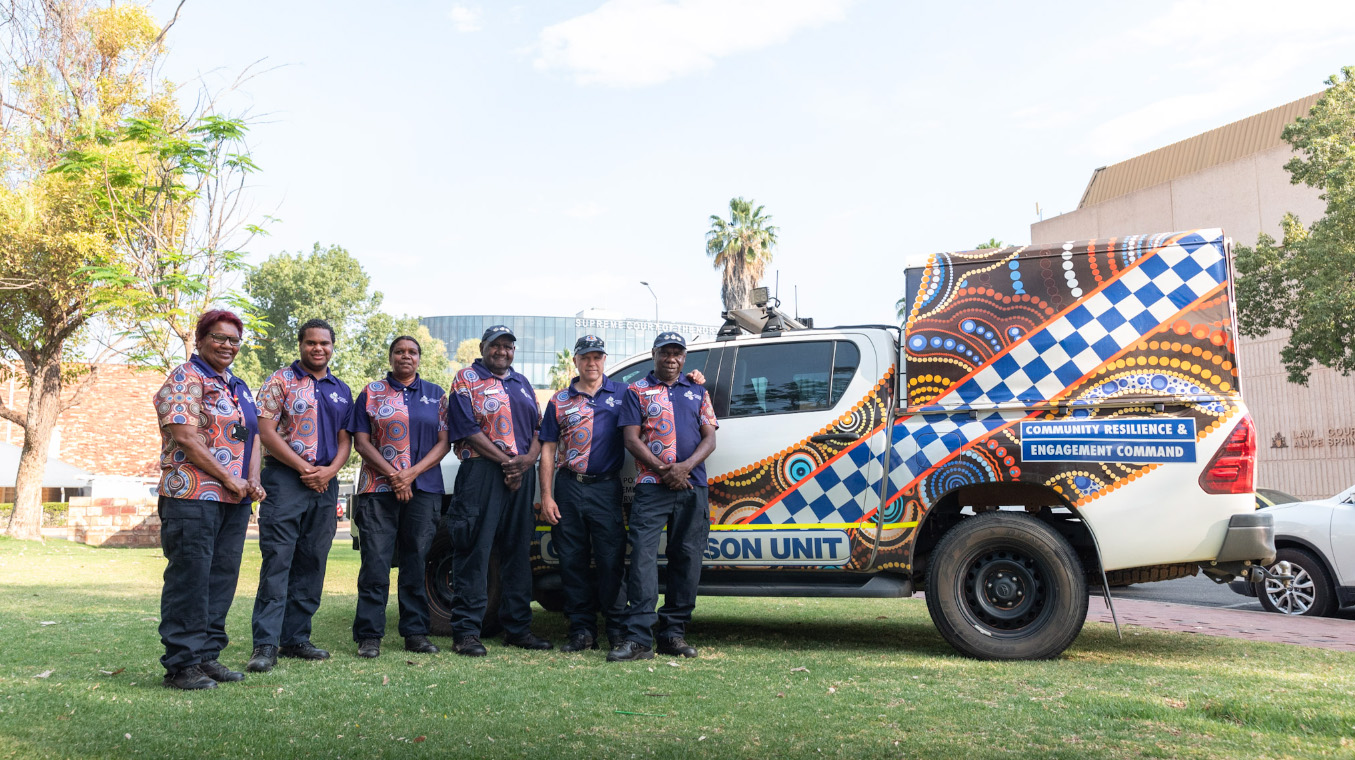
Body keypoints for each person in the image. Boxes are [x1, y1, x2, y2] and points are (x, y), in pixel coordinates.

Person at [153, 309, 265, 690]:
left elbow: (254, 435)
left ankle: (206, 657)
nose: (228, 345)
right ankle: (181, 665)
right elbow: (185, 435)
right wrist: (228, 477)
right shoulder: (186, 377)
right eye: (219, 337)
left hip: (233, 501)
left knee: (220, 580)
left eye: (234, 340)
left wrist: (251, 480)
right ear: (200, 340)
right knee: (191, 579)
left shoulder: (238, 385)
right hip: (192, 496)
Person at [246, 318, 354, 673]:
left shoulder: (341, 389)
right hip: (286, 480)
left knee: (312, 561)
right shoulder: (281, 380)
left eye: (324, 343)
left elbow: (345, 439)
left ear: (332, 346)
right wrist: (304, 468)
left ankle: (296, 638)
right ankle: (265, 644)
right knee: (278, 560)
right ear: (301, 345)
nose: (318, 348)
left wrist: (329, 471)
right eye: (311, 343)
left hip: (326, 484)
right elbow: (266, 429)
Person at [608, 332, 718, 662]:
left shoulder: (697, 391)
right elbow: (631, 438)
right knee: (642, 558)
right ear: (654, 354)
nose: (672, 358)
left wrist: (683, 468)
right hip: (650, 488)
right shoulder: (636, 391)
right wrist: (663, 469)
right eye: (665, 352)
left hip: (692, 485)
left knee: (687, 559)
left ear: (684, 358)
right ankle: (639, 639)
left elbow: (710, 439)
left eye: (677, 353)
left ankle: (673, 634)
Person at [444, 325, 550, 656]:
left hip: (522, 473)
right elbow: (465, 428)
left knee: (518, 551)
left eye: (508, 346)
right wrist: (508, 463)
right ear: (483, 347)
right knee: (475, 549)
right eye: (496, 345)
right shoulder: (466, 379)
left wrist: (528, 460)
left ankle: (517, 628)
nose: (503, 351)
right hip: (482, 473)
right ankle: (466, 632)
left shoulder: (522, 383)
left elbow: (539, 428)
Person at [348, 335, 450, 658]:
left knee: (416, 561)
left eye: (412, 352)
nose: (406, 356)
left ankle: (416, 633)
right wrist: (394, 475)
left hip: (424, 489)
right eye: (399, 351)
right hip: (377, 490)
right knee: (376, 563)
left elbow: (444, 443)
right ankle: (369, 635)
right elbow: (361, 442)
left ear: (420, 358)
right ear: (391, 357)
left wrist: (410, 474)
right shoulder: (371, 393)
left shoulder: (437, 396)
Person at [537, 335, 629, 653]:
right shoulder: (559, 401)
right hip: (568, 486)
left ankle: (617, 630)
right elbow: (547, 451)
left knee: (610, 560)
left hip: (606, 486)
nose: (592, 363)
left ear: (605, 360)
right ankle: (582, 631)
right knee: (572, 561)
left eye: (598, 357)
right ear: (575, 362)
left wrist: (692, 377)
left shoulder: (623, 393)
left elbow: (659, 388)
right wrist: (547, 496)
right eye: (586, 357)